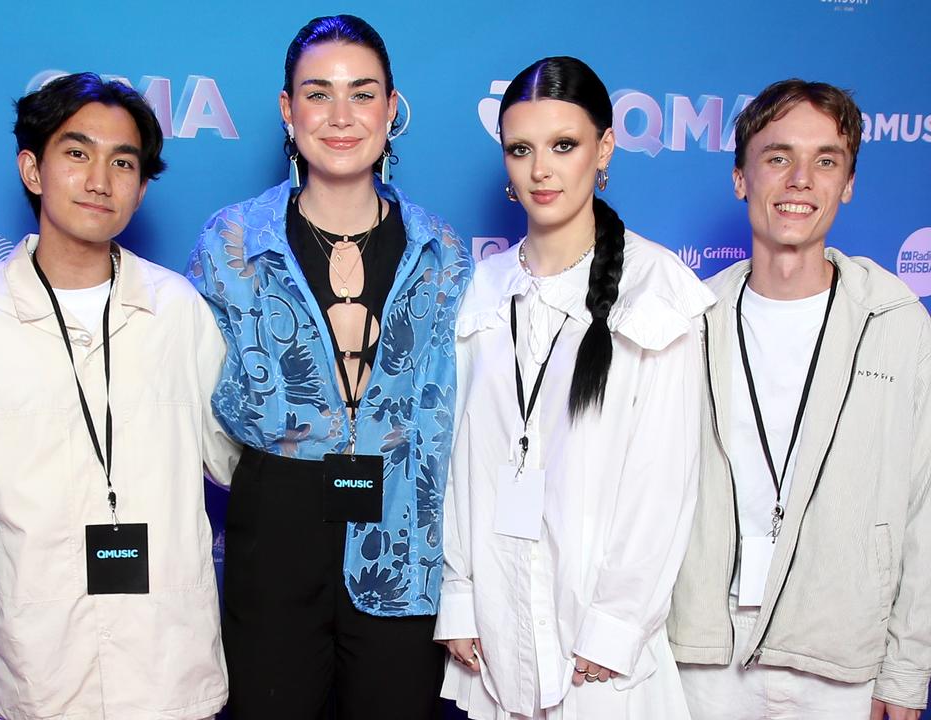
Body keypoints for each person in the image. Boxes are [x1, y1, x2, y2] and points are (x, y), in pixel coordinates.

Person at [0, 73, 238, 720]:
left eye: (123, 162)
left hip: (168, 680)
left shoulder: (179, 311)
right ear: (32, 169)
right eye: (76, 153)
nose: (100, 179)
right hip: (29, 684)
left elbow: (236, 463)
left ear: (142, 187)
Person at [187, 14, 473, 720]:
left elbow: (457, 406)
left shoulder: (444, 250)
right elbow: (189, 392)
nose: (340, 116)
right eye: (318, 94)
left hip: (403, 537)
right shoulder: (229, 241)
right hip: (274, 526)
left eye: (362, 94)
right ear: (288, 111)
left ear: (392, 108)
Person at [434, 56, 714, 719]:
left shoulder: (657, 286)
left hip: (600, 651)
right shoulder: (481, 288)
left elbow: (664, 478)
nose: (541, 170)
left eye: (564, 145)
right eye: (521, 149)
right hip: (494, 635)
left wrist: (617, 620)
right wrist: (459, 595)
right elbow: (453, 458)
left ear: (605, 147)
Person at [668, 79, 931, 720]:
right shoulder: (688, 320)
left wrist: (905, 671)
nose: (800, 181)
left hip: (841, 657)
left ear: (848, 184)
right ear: (741, 177)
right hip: (706, 652)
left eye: (826, 161)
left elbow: (924, 503)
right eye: (779, 157)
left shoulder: (895, 321)